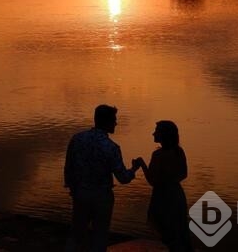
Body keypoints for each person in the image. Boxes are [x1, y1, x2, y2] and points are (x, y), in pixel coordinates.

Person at [64, 104, 141, 252]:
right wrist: (134, 169)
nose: (116, 123)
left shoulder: (77, 139)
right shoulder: (111, 147)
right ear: (107, 121)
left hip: (81, 193)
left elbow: (69, 168)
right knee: (100, 235)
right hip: (102, 197)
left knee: (76, 234)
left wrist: (73, 190)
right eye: (114, 120)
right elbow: (123, 178)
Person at [136, 121, 193, 252]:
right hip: (177, 195)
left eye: (156, 131)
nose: (153, 133)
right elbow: (184, 174)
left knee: (166, 232)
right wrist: (170, 180)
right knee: (179, 231)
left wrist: (141, 163)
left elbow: (152, 180)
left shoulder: (158, 155)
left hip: (162, 197)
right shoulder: (179, 151)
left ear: (164, 135)